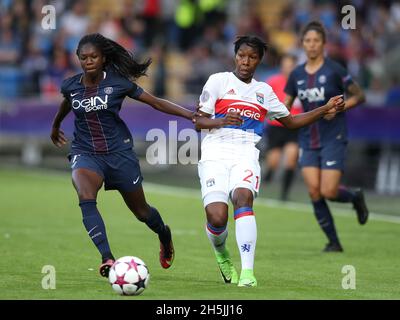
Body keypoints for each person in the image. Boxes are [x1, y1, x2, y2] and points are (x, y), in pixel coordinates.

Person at [194, 35, 345, 287]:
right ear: (235, 56)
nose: (246, 62)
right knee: (217, 217)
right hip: (215, 154)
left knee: (243, 198)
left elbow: (291, 121)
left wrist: (323, 109)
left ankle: (248, 273)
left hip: (246, 154)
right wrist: (221, 120)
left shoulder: (264, 92)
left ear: (260, 61)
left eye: (252, 58)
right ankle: (222, 254)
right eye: (242, 56)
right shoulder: (218, 81)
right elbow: (198, 121)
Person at [50, 33, 195, 278]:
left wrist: (191, 115)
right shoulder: (71, 85)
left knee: (141, 212)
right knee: (85, 195)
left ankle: (163, 233)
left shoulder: (118, 83)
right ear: (78, 59)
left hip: (119, 153)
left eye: (93, 56)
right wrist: (55, 126)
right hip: (85, 152)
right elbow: (67, 102)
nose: (88, 61)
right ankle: (107, 258)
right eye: (83, 57)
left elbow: (156, 102)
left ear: (103, 58)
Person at [284, 21, 369, 253]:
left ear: (324, 44)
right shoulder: (296, 74)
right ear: (302, 44)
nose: (312, 45)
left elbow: (359, 96)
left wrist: (340, 108)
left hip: (334, 136)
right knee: (314, 191)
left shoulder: (335, 70)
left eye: (316, 41)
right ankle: (334, 242)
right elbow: (285, 105)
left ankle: (354, 197)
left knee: (329, 191)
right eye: (308, 41)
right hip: (307, 138)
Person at [263, 53, 303, 201]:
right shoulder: (273, 82)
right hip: (276, 125)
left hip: (293, 125)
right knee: (274, 160)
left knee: (291, 158)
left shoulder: (301, 84)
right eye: (286, 65)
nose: (288, 68)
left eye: (291, 66)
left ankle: (284, 195)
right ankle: (269, 173)